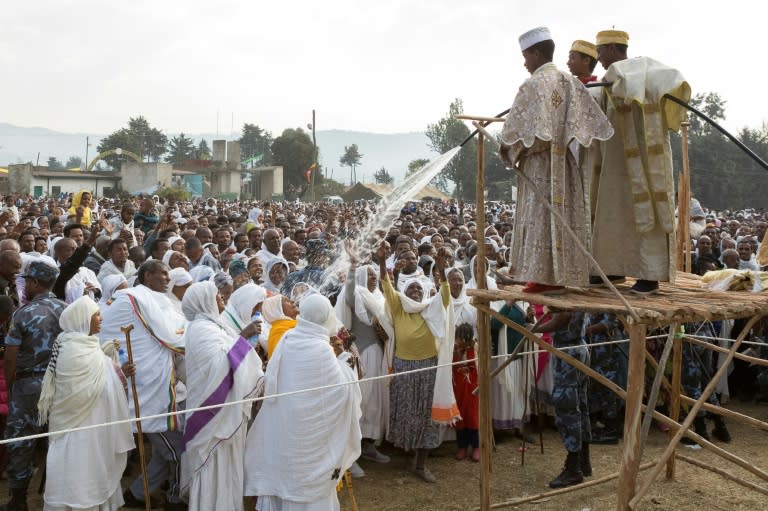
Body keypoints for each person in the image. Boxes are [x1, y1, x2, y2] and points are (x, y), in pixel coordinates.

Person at [499, 27, 613, 294]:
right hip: (566, 164)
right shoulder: (570, 82)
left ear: (536, 53)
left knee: (539, 217)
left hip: (539, 164)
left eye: (526, 56)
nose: (524, 62)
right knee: (562, 218)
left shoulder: (531, 85)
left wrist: (508, 151)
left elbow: (514, 135)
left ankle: (541, 277)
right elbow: (590, 125)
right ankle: (562, 274)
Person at [589, 29, 691, 294]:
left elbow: (672, 83)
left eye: (600, 51)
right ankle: (611, 267)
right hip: (614, 162)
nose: (598, 57)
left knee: (646, 215)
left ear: (612, 49)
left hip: (645, 164)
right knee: (613, 212)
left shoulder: (641, 71)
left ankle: (649, 276)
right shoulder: (607, 83)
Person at [244, 294, 362, 511]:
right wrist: (345, 361)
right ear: (327, 316)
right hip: (310, 438)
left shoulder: (288, 339)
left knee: (289, 476)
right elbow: (342, 392)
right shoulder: (321, 348)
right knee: (308, 486)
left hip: (288, 429)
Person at [99, 260, 187, 510]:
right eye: (163, 274)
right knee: (178, 451)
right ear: (147, 276)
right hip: (149, 392)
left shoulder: (157, 300)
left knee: (163, 452)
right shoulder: (135, 299)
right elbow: (172, 336)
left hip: (163, 385)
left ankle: (137, 494)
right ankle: (174, 499)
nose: (167, 279)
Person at [38, 296, 135, 511]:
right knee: (75, 470)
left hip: (94, 427)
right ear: (83, 319)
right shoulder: (71, 349)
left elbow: (101, 375)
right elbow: (87, 388)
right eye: (96, 315)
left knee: (93, 469)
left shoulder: (88, 345)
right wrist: (115, 369)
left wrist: (117, 369)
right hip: (74, 428)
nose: (101, 318)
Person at [378, 243, 458, 483]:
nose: (414, 292)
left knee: (425, 416)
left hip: (428, 369)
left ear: (424, 292)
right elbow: (387, 286)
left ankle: (421, 464)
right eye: (410, 288)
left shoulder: (431, 309)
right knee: (407, 413)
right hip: (403, 368)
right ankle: (410, 455)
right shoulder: (399, 309)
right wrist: (383, 262)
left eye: (418, 289)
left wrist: (441, 269)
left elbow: (444, 291)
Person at [180, 282, 264, 511]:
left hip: (226, 408)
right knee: (212, 463)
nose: (221, 300)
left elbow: (225, 356)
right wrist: (244, 337)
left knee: (227, 465)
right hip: (211, 412)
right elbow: (221, 367)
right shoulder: (200, 329)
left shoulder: (214, 326)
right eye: (216, 296)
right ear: (204, 301)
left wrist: (241, 340)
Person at [2, 261, 67, 511]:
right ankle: (58, 496)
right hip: (61, 384)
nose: (24, 285)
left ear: (36, 283)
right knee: (59, 440)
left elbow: (10, 356)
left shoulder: (23, 313)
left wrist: (11, 386)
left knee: (20, 441)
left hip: (28, 385)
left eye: (27, 280)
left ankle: (19, 500)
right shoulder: (66, 309)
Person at [335, 255, 390, 466]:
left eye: (375, 275)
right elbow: (349, 290)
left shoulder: (378, 297)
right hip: (362, 354)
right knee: (361, 400)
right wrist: (353, 267)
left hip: (379, 354)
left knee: (375, 402)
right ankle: (352, 452)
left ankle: (368, 445)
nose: (373, 278)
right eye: (369, 275)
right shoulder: (355, 294)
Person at [532, 310, 591, 489]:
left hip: (569, 353)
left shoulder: (569, 292)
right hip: (576, 348)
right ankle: (583, 461)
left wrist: (535, 328)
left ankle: (573, 468)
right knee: (579, 406)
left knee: (568, 409)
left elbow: (561, 317)